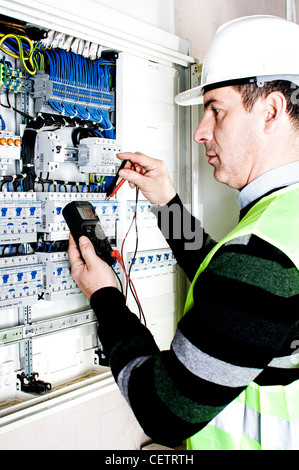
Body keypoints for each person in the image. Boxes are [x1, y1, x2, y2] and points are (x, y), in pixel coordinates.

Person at [68, 15, 299, 450]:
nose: (200, 132)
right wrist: (166, 204)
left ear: (271, 110)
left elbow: (164, 411)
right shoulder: (284, 219)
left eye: (216, 109)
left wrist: (105, 297)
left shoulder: (265, 254)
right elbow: (228, 285)